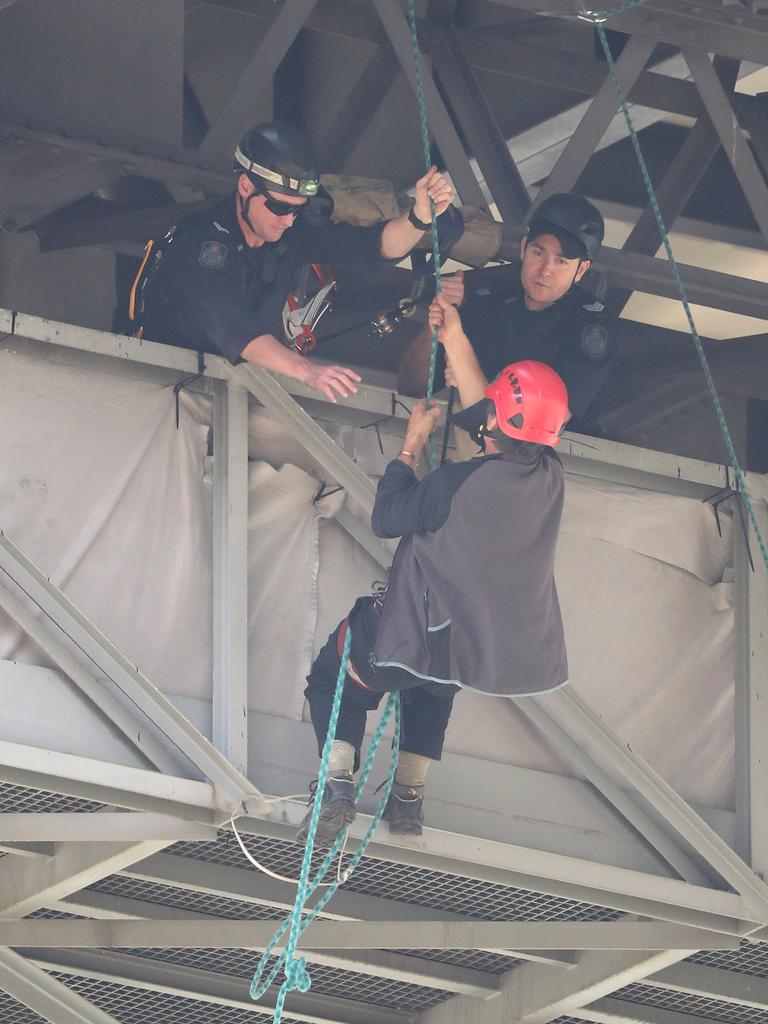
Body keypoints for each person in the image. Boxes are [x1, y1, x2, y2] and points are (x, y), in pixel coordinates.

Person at [300, 359, 570, 844]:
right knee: (434, 686)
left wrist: (412, 444)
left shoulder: (453, 484)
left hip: (415, 636)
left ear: (494, 418)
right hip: (473, 649)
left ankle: (336, 784)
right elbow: (504, 434)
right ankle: (408, 798)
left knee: (334, 673)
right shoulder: (552, 478)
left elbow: (386, 517)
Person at [126, 121, 455, 403]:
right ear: (245, 186)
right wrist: (308, 372)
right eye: (280, 208)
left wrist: (419, 218)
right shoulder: (202, 244)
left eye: (298, 210)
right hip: (158, 388)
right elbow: (235, 329)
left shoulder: (291, 232)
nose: (288, 220)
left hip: (227, 391)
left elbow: (370, 248)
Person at [398, 193, 614, 433]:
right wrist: (438, 320)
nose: (545, 271)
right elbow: (411, 386)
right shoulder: (488, 301)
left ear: (582, 269)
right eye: (538, 253)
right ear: (523, 248)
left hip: (551, 460)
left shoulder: (591, 325)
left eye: (561, 261)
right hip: (474, 451)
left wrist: (465, 370)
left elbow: (544, 422)